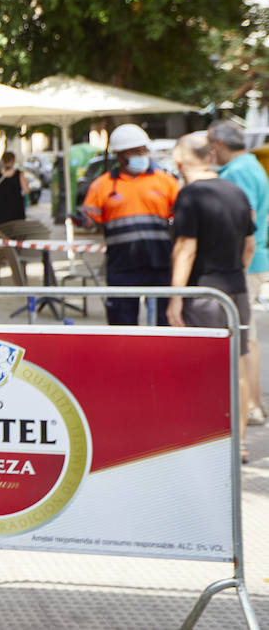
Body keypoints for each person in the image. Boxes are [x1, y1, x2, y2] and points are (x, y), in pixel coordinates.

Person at [166, 132, 255, 462]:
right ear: (210, 156)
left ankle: (202, 443)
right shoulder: (237, 191)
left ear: (180, 162)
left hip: (204, 294)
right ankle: (240, 443)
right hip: (236, 292)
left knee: (201, 369)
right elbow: (249, 246)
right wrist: (236, 273)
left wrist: (176, 298)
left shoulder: (190, 194)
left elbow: (186, 248)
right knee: (238, 367)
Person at [79, 123, 180, 325]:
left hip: (159, 263)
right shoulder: (102, 185)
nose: (142, 155)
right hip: (122, 266)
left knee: (165, 323)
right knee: (122, 323)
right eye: (136, 151)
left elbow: (181, 217)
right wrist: (81, 219)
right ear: (120, 155)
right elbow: (89, 220)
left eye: (143, 150)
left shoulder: (166, 181)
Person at [208, 119, 268, 426]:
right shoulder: (249, 165)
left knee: (244, 340)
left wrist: (238, 267)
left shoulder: (240, 171)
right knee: (248, 338)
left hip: (244, 263)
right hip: (250, 260)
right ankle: (254, 405)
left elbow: (245, 220)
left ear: (217, 145)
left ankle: (251, 407)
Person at [0, 151, 28, 235]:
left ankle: (2, 245)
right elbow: (26, 190)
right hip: (16, 206)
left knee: (1, 229)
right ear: (13, 160)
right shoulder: (19, 174)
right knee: (17, 231)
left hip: (1, 206)